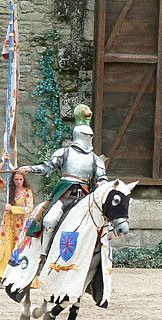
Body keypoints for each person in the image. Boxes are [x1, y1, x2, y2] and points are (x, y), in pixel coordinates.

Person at [16, 104, 107, 254]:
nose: (88, 138)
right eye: (85, 135)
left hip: (85, 198)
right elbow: (47, 167)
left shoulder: (95, 159)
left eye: (89, 136)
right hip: (64, 196)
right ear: (78, 134)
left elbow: (102, 177)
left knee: (101, 225)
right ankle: (43, 254)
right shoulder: (64, 153)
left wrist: (102, 182)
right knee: (49, 220)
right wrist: (30, 168)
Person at [0, 164, 33, 282]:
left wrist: (12, 208)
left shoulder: (27, 192)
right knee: (4, 246)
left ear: (24, 179)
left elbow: (29, 208)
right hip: (8, 223)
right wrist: (3, 162)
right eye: (16, 179)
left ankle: (18, 276)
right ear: (13, 180)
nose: (19, 182)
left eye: (21, 179)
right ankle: (3, 275)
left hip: (20, 224)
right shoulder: (8, 189)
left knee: (18, 248)